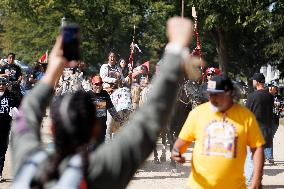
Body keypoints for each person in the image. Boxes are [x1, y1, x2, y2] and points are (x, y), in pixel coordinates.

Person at [11, 16, 195, 189]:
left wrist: (53, 70)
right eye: (112, 58)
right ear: (94, 129)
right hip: (106, 88)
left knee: (132, 94)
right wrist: (177, 48)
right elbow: (150, 120)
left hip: (115, 91)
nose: (114, 60)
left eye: (115, 58)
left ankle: (125, 115)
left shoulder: (27, 160)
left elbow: (27, 113)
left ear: (52, 128)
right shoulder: (103, 171)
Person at [172, 74, 265, 189]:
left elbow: (257, 148)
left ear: (230, 93)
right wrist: (176, 152)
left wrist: (257, 178)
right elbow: (181, 142)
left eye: (217, 94)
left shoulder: (246, 117)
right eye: (210, 94)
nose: (212, 98)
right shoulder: (197, 114)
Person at [246, 73, 274, 163]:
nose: (253, 82)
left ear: (257, 82)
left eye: (253, 80)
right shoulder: (270, 96)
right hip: (267, 127)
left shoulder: (251, 96)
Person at [87, 75, 123, 143]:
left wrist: (119, 120)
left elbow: (111, 107)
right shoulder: (88, 94)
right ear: (92, 84)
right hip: (91, 127)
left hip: (102, 126)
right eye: (96, 84)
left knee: (100, 146)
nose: (98, 86)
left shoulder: (105, 94)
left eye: (100, 84)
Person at [0, 77, 20, 182]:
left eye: (3, 84)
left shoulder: (11, 96)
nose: (1, 86)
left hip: (5, 127)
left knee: (2, 151)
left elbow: (19, 108)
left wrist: (15, 112)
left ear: (6, 85)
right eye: (0, 84)